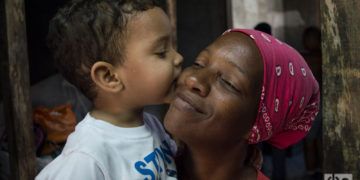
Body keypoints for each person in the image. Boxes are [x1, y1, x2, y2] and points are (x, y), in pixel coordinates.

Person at [36, 0, 183, 179]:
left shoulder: (150, 124)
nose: (178, 58)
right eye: (161, 52)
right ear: (109, 77)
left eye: (172, 47)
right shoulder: (87, 158)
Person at [164, 29, 320, 180]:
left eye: (228, 82)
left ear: (257, 126)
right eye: (199, 64)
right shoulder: (149, 166)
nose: (193, 80)